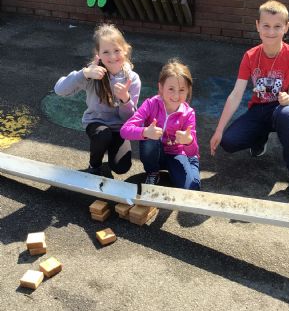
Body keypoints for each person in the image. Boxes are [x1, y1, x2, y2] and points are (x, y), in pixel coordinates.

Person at [209, 0, 289, 203]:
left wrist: (288, 98)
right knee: (229, 141)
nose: (271, 32)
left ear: (286, 27)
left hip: (283, 108)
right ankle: (259, 138)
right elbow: (236, 94)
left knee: (287, 114)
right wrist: (219, 130)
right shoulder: (250, 56)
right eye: (266, 26)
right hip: (260, 109)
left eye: (277, 26)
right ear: (257, 25)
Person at [54, 23, 141, 177]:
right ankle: (94, 165)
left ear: (125, 50)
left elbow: (129, 119)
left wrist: (125, 99)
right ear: (98, 54)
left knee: (121, 167)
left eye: (116, 50)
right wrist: (84, 73)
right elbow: (59, 90)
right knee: (103, 135)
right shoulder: (92, 73)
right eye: (106, 52)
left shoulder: (132, 79)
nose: (112, 56)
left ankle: (111, 151)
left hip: (119, 128)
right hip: (96, 123)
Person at [120, 59, 200, 190]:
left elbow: (193, 151)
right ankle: (153, 172)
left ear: (188, 91)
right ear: (161, 88)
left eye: (182, 90)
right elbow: (124, 131)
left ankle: (191, 164)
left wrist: (189, 141)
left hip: (177, 154)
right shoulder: (150, 104)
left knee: (192, 188)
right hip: (154, 154)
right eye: (171, 89)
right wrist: (145, 132)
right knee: (150, 138)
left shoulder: (189, 113)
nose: (176, 95)